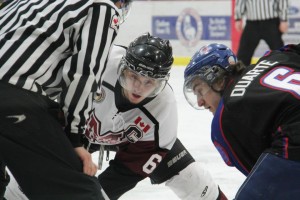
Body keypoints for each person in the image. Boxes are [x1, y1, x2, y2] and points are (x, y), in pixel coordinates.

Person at [5, 33, 228, 200]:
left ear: (161, 83)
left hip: (130, 143)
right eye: (133, 77)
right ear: (123, 69)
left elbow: (129, 170)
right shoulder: (100, 63)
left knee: (194, 179)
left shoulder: (163, 110)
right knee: (25, 181)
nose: (138, 87)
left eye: (149, 82)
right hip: (76, 128)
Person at [0, 0, 132, 199]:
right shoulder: (102, 6)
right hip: (12, 94)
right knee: (80, 191)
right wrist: (74, 137)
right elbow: (84, 74)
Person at [183, 43, 300, 199]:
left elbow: (260, 175)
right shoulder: (273, 58)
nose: (200, 102)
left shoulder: (224, 118)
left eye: (200, 91)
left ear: (218, 81)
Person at [235, 0, 289, 66]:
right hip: (252, 23)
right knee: (243, 55)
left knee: (279, 53)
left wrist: (284, 19)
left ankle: (285, 70)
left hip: (271, 22)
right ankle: (239, 75)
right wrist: (238, 17)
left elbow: (282, 1)